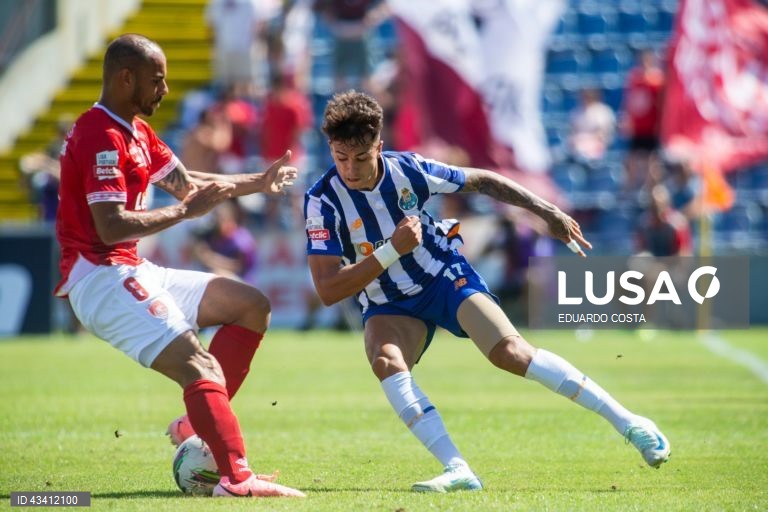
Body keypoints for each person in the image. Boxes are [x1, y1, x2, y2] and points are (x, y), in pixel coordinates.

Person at [304, 91, 670, 493]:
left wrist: (547, 212)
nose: (350, 169)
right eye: (340, 158)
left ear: (379, 146)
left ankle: (630, 423)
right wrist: (393, 248)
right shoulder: (322, 202)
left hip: (442, 275)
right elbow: (328, 289)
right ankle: (458, 468)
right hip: (388, 301)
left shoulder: (409, 171)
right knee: (386, 362)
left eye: (360, 157)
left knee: (512, 354)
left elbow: (483, 180)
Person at [54, 34, 305, 498]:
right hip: (100, 277)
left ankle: (197, 422)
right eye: (157, 79)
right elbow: (111, 227)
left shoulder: (134, 130)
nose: (165, 89)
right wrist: (185, 215)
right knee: (200, 366)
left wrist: (259, 182)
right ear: (125, 78)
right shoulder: (100, 135)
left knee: (250, 305)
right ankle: (235, 479)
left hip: (129, 267)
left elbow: (190, 184)